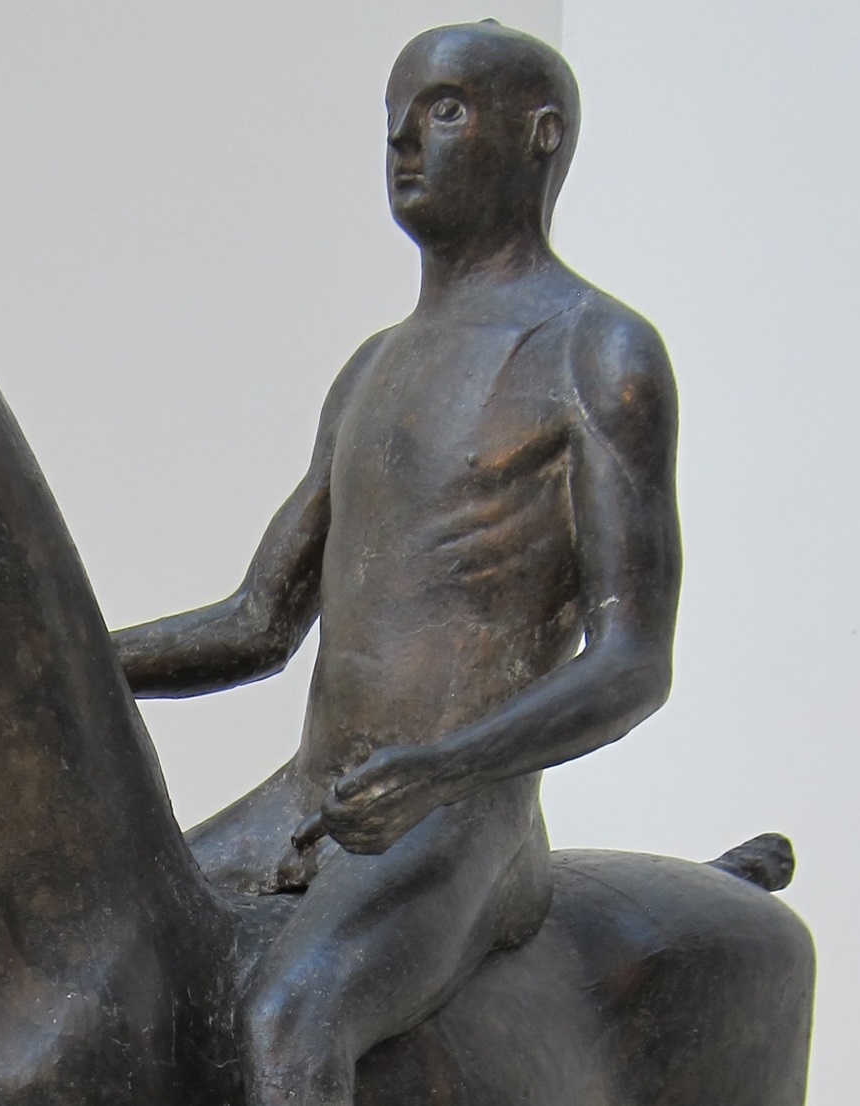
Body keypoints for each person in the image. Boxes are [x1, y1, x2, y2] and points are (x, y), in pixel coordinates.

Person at [111, 20, 681, 1106]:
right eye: (397, 121)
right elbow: (257, 621)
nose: (406, 144)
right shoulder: (373, 367)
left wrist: (442, 768)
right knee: (126, 945)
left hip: (467, 817)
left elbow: (632, 658)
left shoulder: (595, 351)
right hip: (310, 795)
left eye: (447, 110)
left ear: (541, 137)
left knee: (290, 1017)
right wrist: (64, 663)